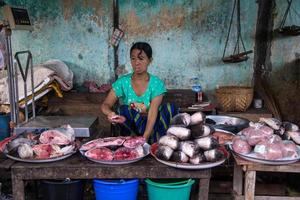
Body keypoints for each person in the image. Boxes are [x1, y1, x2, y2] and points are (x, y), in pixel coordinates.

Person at [101, 42, 178, 143]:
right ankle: (129, 142)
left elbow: (152, 113)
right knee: (123, 109)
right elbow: (105, 104)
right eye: (133, 58)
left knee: (169, 108)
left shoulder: (156, 84)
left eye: (141, 58)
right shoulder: (123, 82)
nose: (136, 62)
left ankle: (157, 141)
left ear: (150, 60)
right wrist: (110, 113)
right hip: (131, 127)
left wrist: (144, 139)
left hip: (153, 126)